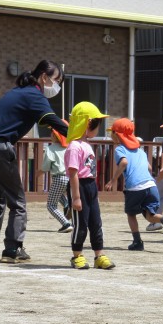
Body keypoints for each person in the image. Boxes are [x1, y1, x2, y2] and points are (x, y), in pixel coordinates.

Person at [0, 59, 68, 263]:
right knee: (18, 202)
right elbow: (52, 121)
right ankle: (13, 249)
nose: (57, 86)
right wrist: (77, 135)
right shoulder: (34, 95)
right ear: (44, 77)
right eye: (57, 81)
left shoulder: (15, 92)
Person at [104, 118, 163, 250]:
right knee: (150, 216)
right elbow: (149, 168)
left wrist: (113, 180)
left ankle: (137, 242)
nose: (111, 135)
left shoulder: (120, 149)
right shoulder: (140, 151)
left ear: (117, 135)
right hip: (151, 185)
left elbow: (124, 163)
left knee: (131, 214)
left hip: (135, 187)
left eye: (112, 132)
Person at [64, 101, 114, 270]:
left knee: (96, 222)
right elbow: (73, 173)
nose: (98, 128)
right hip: (79, 186)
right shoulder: (74, 146)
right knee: (81, 224)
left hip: (91, 186)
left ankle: (99, 255)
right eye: (97, 124)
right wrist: (76, 197)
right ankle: (77, 255)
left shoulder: (86, 144)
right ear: (87, 124)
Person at [41, 123, 73, 233]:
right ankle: (67, 205)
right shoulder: (69, 148)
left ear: (55, 135)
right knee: (57, 194)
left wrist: (39, 172)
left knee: (51, 205)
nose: (50, 134)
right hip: (70, 178)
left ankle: (66, 223)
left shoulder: (51, 148)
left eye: (52, 132)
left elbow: (45, 167)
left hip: (59, 178)